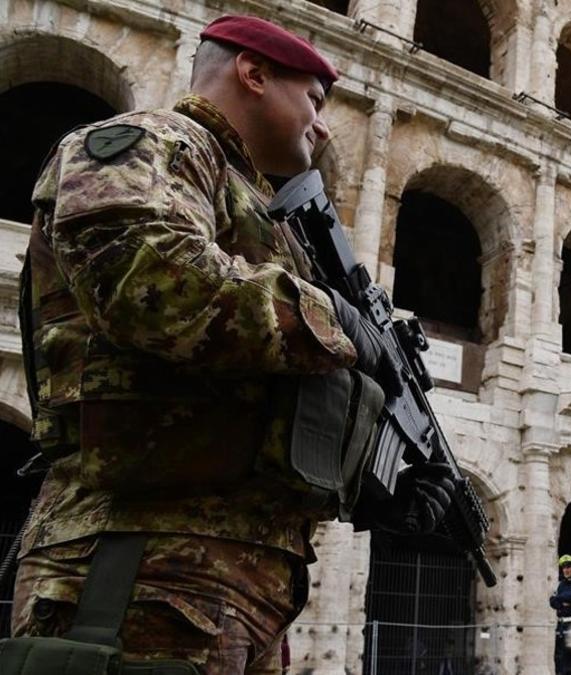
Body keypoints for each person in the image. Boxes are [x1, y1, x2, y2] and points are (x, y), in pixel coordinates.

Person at [10, 14, 455, 673]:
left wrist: (371, 487)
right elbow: (156, 285)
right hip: (135, 565)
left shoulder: (262, 213)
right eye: (315, 99)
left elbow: (263, 402)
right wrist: (336, 319)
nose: (324, 125)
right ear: (254, 72)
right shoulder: (150, 143)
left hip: (237, 586)